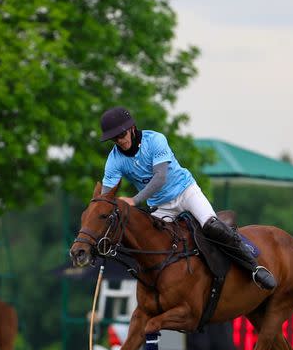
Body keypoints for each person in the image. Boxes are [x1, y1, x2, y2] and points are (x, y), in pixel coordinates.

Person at [98, 106, 276, 290]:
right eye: (114, 139)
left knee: (211, 225)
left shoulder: (155, 140)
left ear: (132, 128)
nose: (119, 141)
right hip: (160, 206)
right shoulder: (114, 160)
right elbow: (105, 196)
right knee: (147, 243)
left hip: (185, 192)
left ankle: (255, 269)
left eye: (121, 135)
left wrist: (134, 201)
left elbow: (160, 177)